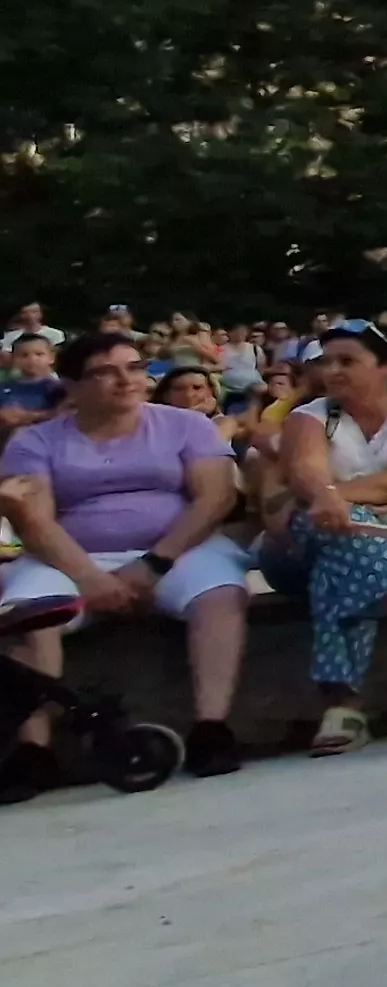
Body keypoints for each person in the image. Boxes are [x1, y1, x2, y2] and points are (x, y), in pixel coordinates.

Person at [0, 332, 250, 787]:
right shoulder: (34, 441)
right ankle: (34, 749)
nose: (126, 379)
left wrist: (154, 563)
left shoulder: (186, 425)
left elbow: (215, 499)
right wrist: (89, 577)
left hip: (177, 548)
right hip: (68, 558)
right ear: (72, 385)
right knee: (29, 615)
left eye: (134, 367)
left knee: (220, 595)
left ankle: (211, 728)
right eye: (105, 372)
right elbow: (35, 522)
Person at [268, 324, 387, 754]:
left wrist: (333, 496)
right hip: (310, 540)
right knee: (344, 529)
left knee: (341, 557)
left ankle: (344, 707)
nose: (332, 371)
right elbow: (306, 470)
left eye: (347, 361)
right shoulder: (309, 416)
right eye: (326, 362)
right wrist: (329, 497)